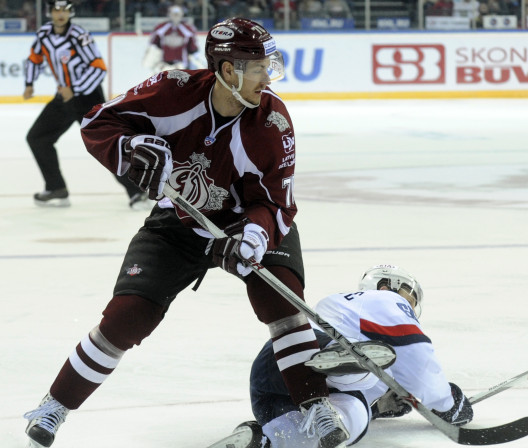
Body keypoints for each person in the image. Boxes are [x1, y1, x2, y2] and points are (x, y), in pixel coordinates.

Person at [22, 17, 348, 448]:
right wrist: (131, 152)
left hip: (248, 225)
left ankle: (316, 406)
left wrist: (254, 235)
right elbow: (97, 123)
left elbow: (276, 203)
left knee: (284, 308)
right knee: (125, 318)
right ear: (227, 70)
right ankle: (54, 406)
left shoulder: (273, 124)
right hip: (178, 223)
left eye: (269, 66)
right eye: (257, 68)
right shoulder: (172, 90)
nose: (267, 78)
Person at [217, 264, 474, 448]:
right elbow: (418, 360)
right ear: (387, 285)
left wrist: (379, 406)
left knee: (354, 418)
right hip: (301, 353)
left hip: (277, 393)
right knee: (367, 368)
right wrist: (447, 404)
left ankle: (264, 440)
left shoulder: (349, 314)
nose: (411, 307)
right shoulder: (383, 299)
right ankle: (341, 359)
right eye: (410, 297)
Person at [23, 0, 145, 208]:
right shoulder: (43, 34)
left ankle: (137, 191)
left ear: (71, 13)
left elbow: (98, 68)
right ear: (49, 12)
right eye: (56, 9)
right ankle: (56, 188)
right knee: (37, 138)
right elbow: (34, 58)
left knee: (105, 144)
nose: (60, 14)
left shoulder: (79, 36)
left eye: (65, 10)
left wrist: (75, 88)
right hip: (64, 98)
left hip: (89, 99)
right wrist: (29, 83)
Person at [141, 4, 203, 73]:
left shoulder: (188, 29)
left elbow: (193, 48)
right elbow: (153, 46)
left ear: (181, 15)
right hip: (164, 65)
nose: (175, 17)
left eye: (177, 14)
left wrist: (197, 59)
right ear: (169, 14)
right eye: (174, 14)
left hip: (181, 65)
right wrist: (151, 61)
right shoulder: (161, 28)